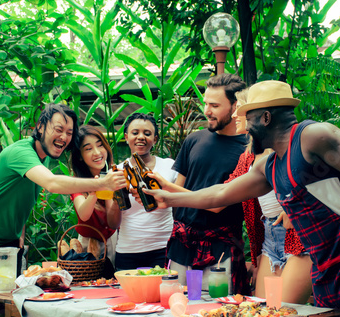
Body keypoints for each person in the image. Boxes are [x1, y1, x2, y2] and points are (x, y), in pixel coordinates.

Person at [145, 80, 340, 317]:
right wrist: (169, 199)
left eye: (249, 118)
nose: (246, 127)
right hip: (324, 267)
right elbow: (221, 194)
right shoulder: (269, 165)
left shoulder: (312, 136)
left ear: (266, 118)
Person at [0, 104, 126, 317]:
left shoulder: (42, 158)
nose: (64, 137)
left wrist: (19, 238)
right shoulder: (21, 152)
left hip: (8, 245)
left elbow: (19, 198)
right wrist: (101, 183)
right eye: (58, 129)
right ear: (40, 127)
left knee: (5, 312)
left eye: (69, 132)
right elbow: (53, 184)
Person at [165, 73, 249, 295]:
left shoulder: (249, 149)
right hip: (182, 245)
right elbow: (178, 191)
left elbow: (217, 204)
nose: (206, 111)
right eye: (205, 103)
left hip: (220, 249)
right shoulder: (194, 140)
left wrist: (164, 190)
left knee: (218, 312)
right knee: (174, 306)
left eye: (214, 105)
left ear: (235, 106)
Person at [227, 88, 312, 304]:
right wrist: (167, 192)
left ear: (263, 117)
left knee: (283, 312)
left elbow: (319, 179)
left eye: (241, 111)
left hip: (297, 236)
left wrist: (294, 207)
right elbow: (221, 195)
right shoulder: (248, 157)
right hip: (270, 237)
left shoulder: (291, 146)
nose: (235, 116)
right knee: (263, 312)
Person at [113, 113, 178, 270]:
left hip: (164, 248)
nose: (140, 137)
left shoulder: (170, 167)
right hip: (127, 251)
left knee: (163, 294)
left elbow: (180, 208)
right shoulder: (117, 172)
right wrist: (117, 196)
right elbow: (112, 222)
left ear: (155, 139)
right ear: (126, 137)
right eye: (135, 133)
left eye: (147, 133)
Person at [70, 125, 121, 269]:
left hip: (112, 240)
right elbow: (84, 214)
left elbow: (113, 223)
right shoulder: (77, 182)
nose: (97, 152)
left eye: (100, 146)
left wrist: (109, 184)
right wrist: (96, 188)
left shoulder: (115, 174)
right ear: (79, 155)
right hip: (86, 244)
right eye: (88, 148)